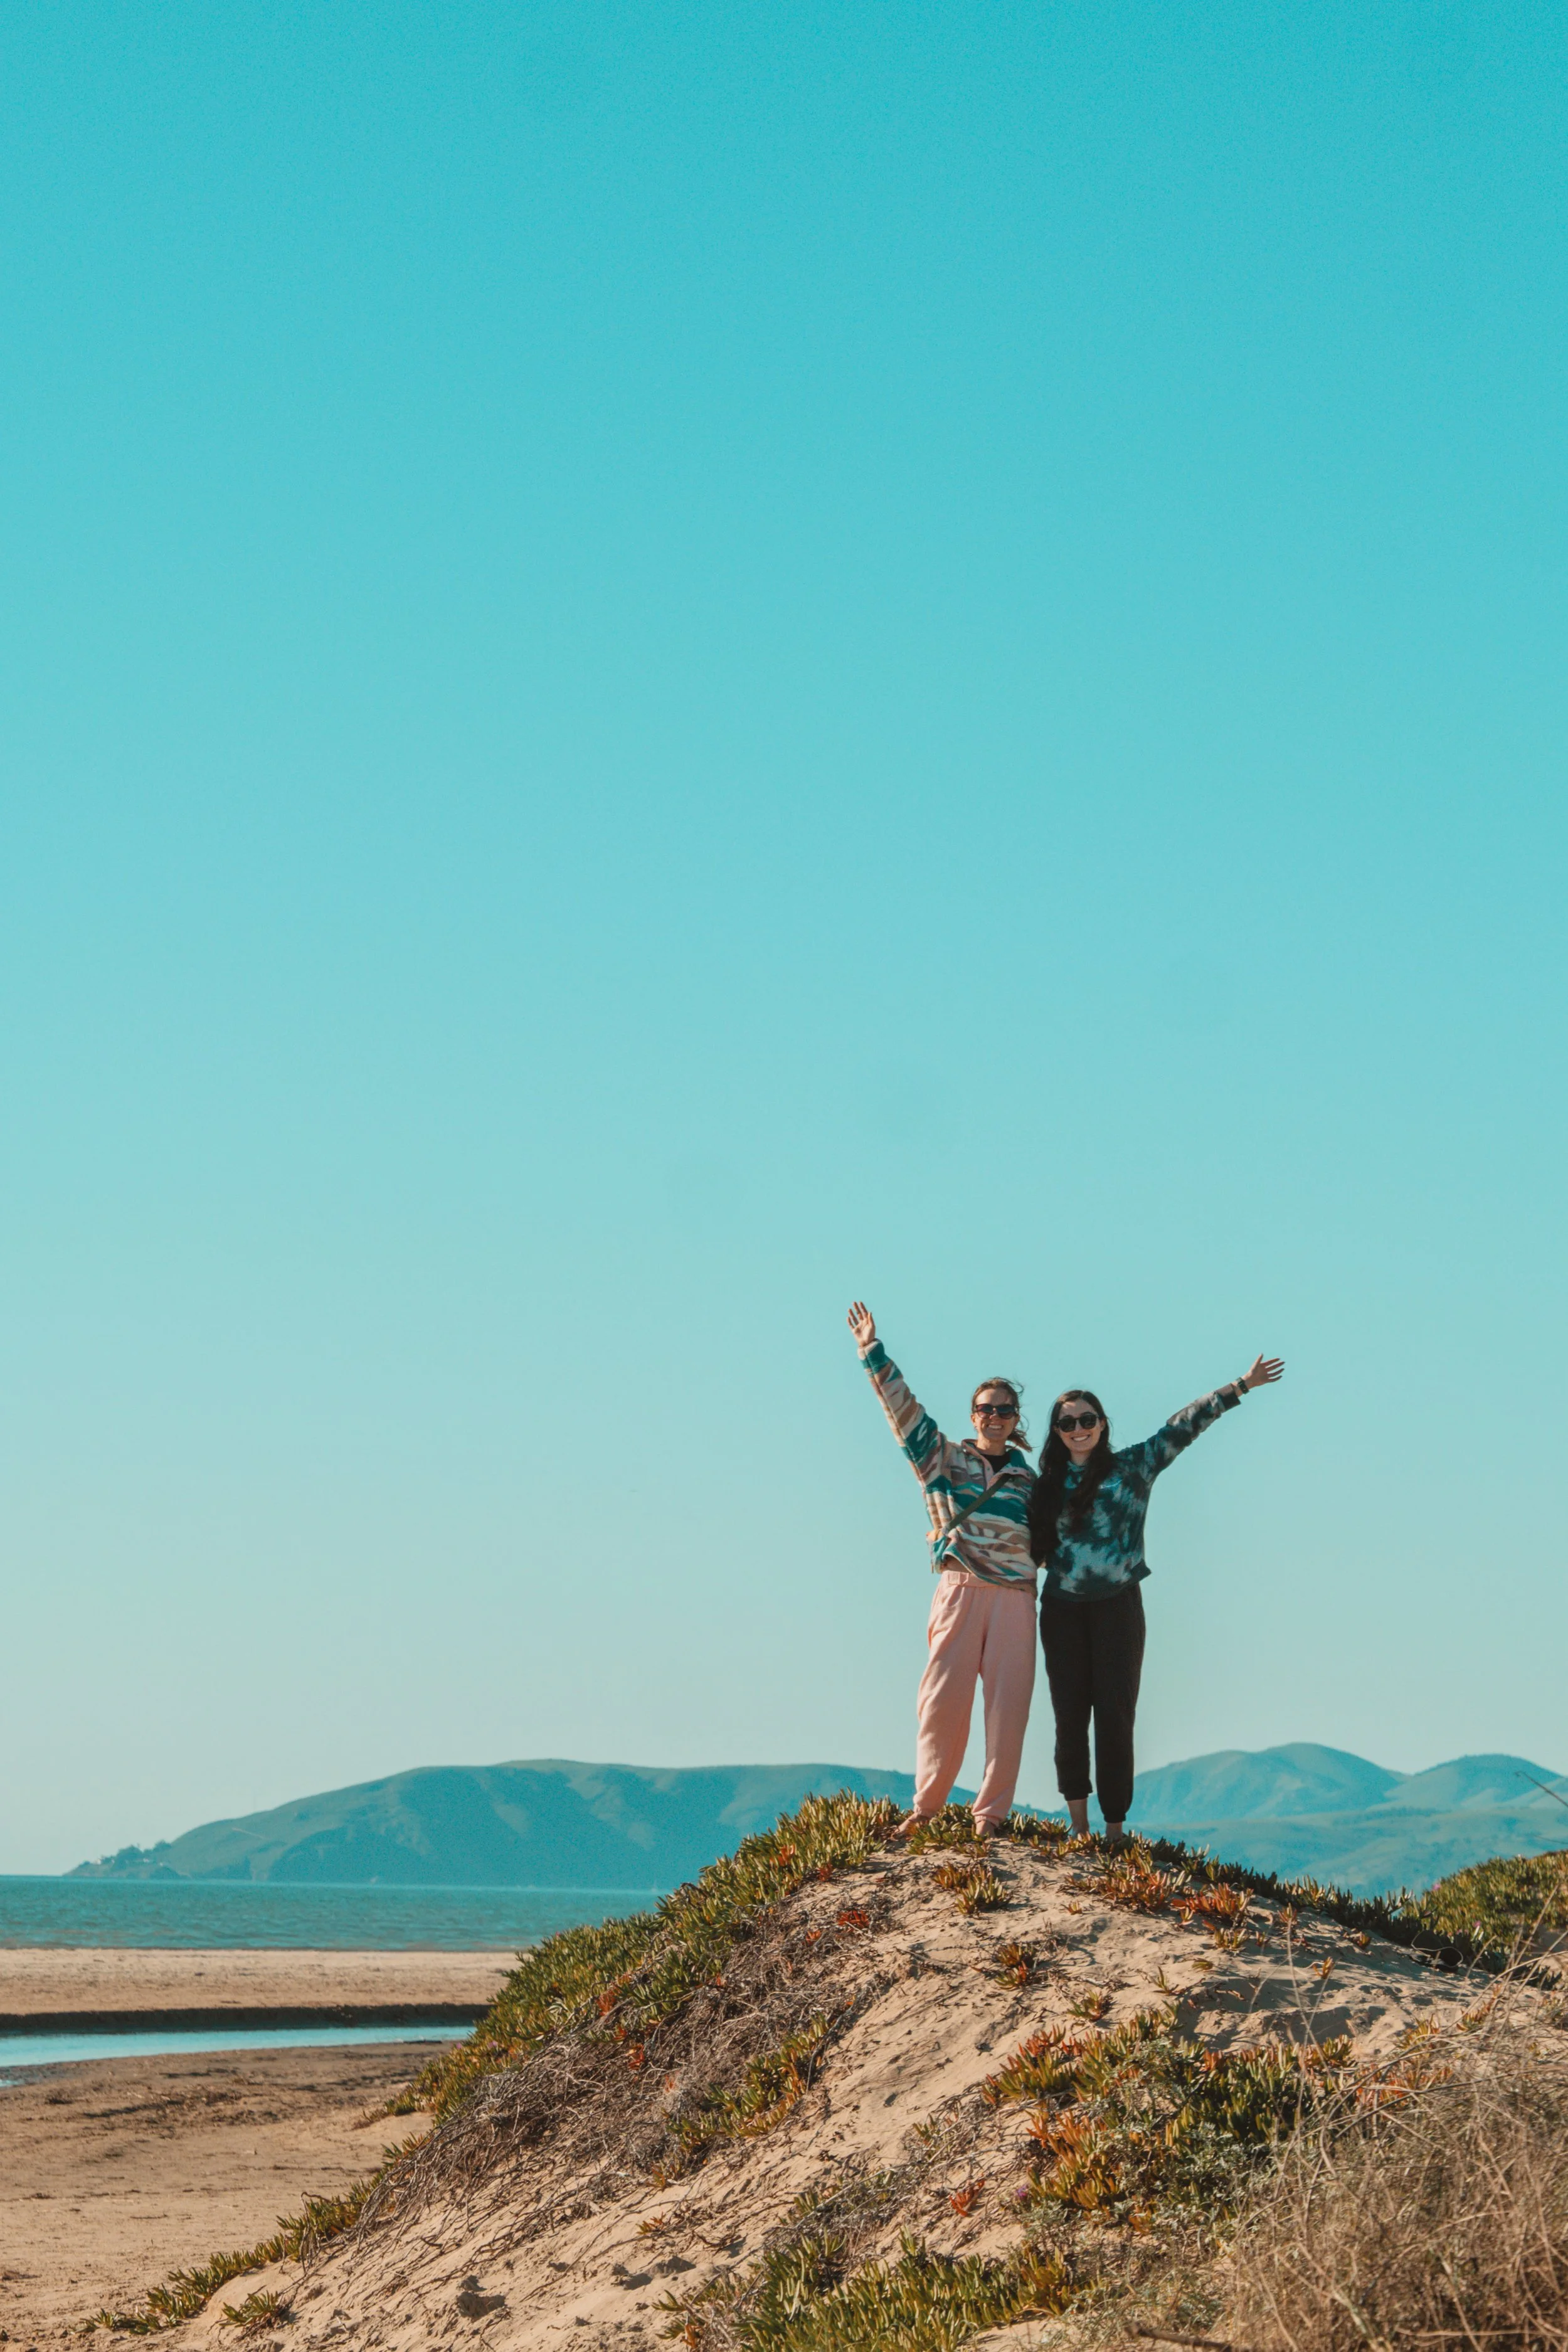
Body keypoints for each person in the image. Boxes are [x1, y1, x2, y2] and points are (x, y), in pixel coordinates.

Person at [1027, 1356, 1283, 1846]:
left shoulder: (1134, 1468)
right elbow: (1022, 1543)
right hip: (1061, 1610)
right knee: (1069, 1715)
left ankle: (1115, 1828)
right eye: (1067, 1423)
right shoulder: (1045, 1488)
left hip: (1118, 1606)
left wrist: (1240, 1387)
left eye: (1087, 1420)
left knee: (1116, 1714)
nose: (1078, 1429)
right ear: (1056, 1433)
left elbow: (1184, 1426)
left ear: (1102, 1424)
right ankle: (1079, 1828)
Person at [847, 1301, 1038, 1836]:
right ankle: (926, 1809)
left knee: (1008, 1713)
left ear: (1016, 1418)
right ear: (973, 1413)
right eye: (985, 1408)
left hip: (1017, 1598)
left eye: (1004, 1409)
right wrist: (871, 1351)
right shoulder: (945, 1460)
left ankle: (991, 1816)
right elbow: (905, 1414)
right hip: (960, 1589)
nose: (994, 1416)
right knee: (940, 1706)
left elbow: (1056, 1536)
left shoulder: (1031, 1482)